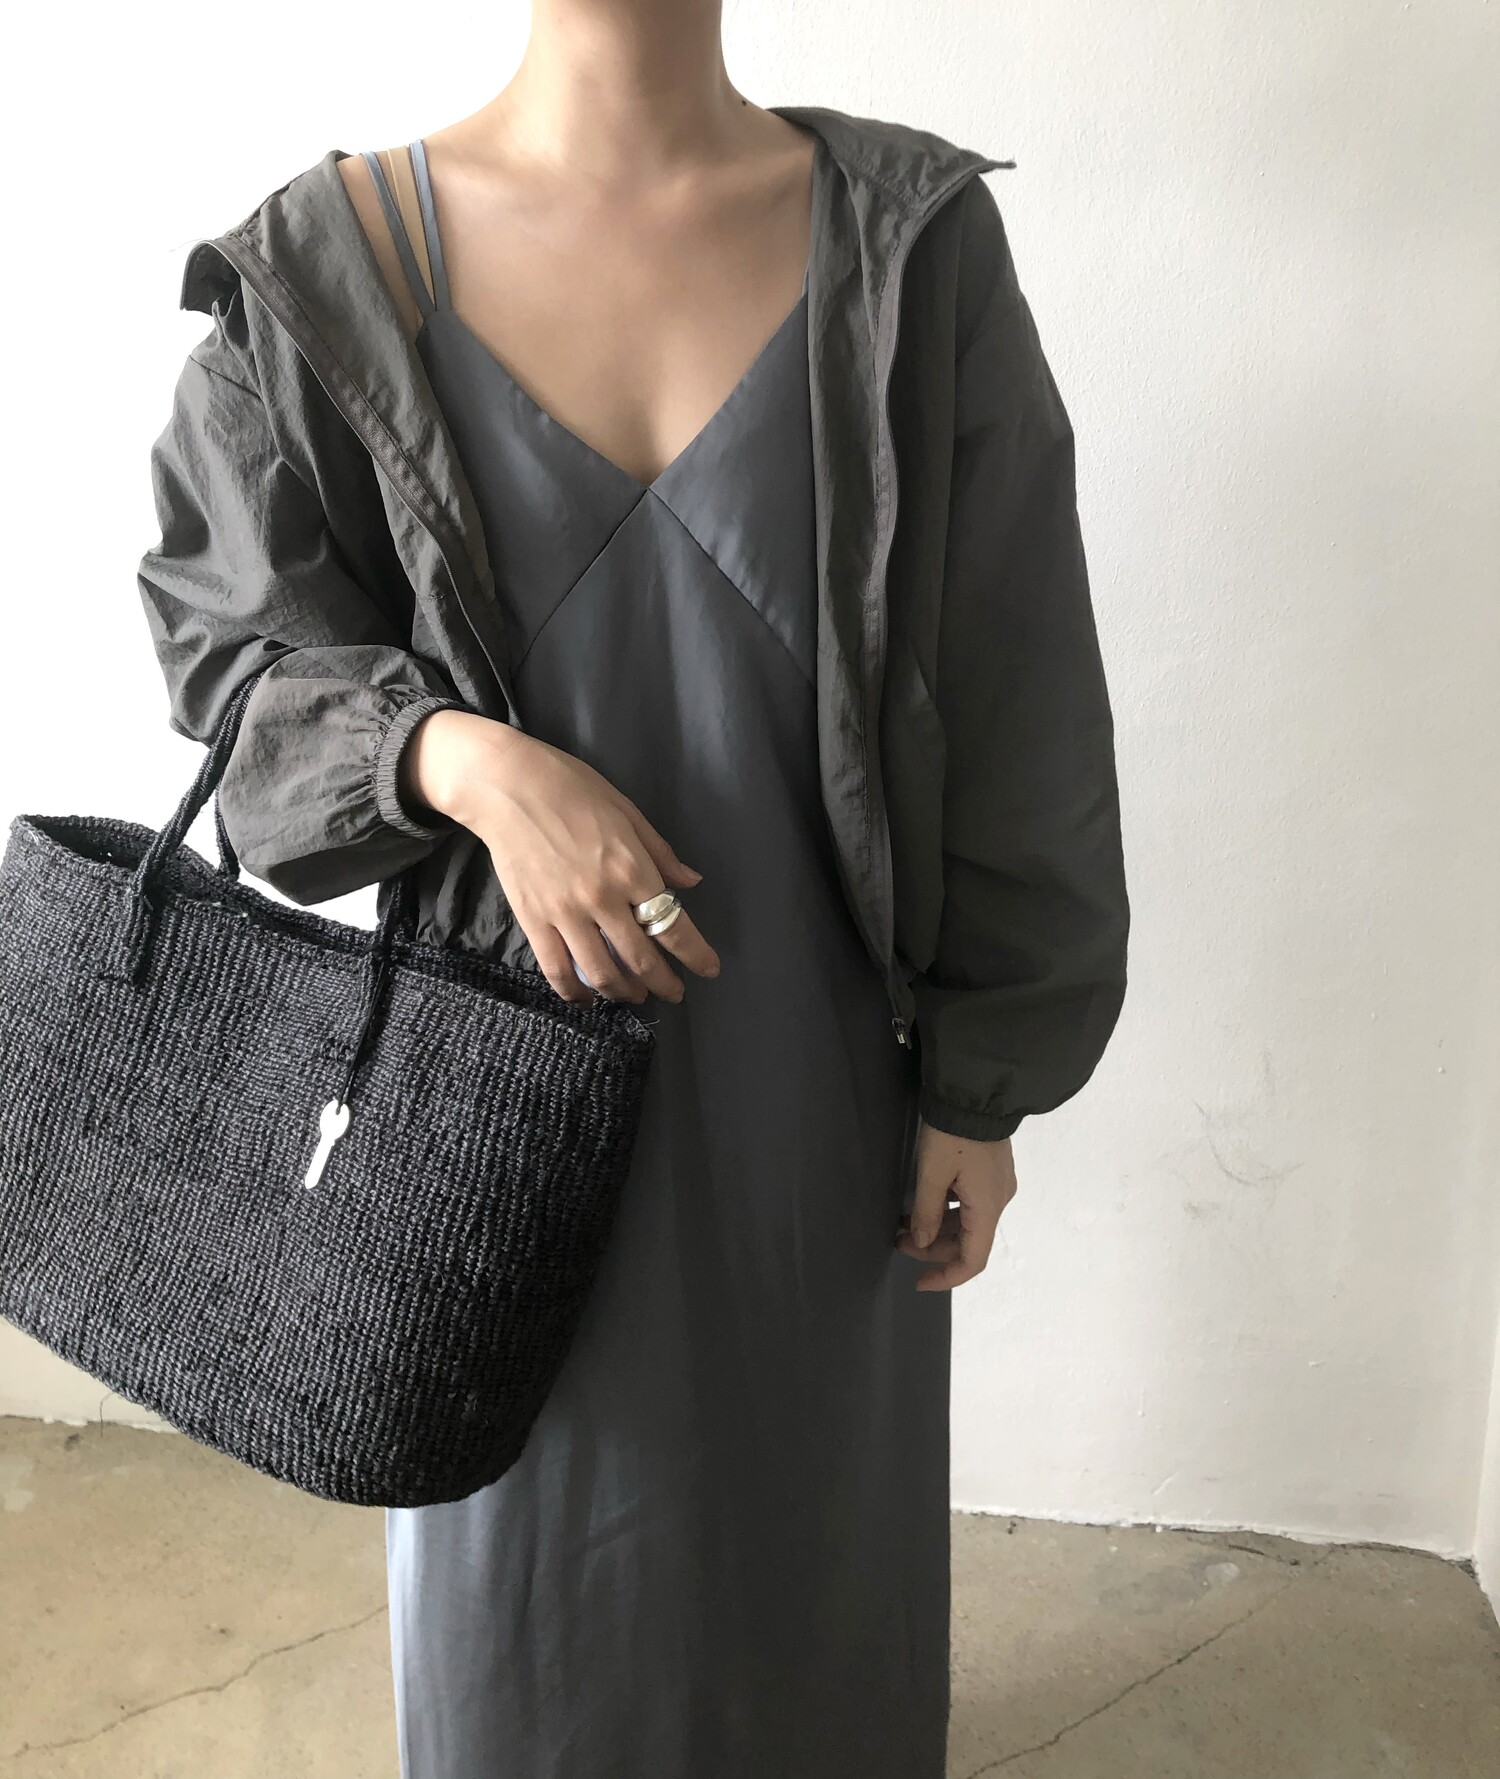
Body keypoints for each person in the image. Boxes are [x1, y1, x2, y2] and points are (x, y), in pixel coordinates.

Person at [135, 5, 1129, 1773]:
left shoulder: (904, 249)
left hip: (822, 1086)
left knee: (818, 1597)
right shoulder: (332, 267)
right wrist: (458, 759)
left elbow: (1017, 681)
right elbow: (232, 666)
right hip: (489, 1109)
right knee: (520, 1605)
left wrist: (988, 1079)